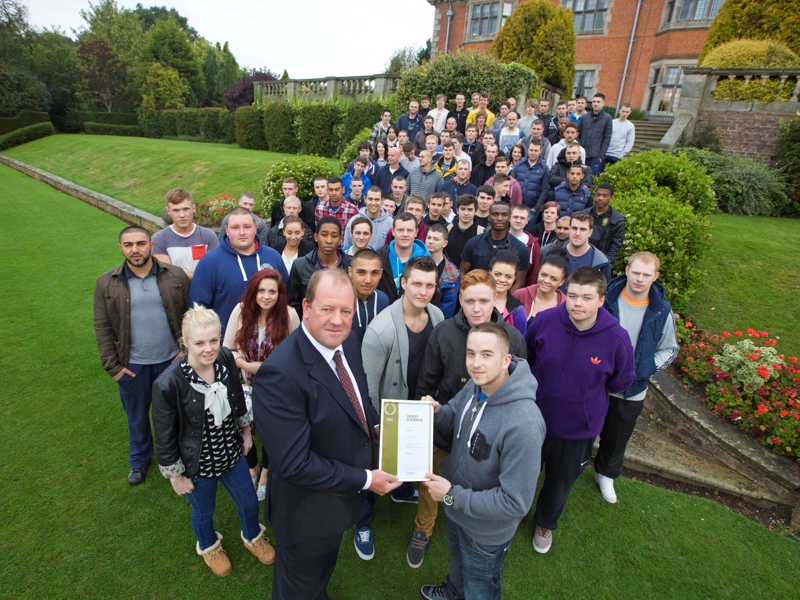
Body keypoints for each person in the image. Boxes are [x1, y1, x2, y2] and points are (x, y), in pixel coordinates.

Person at [253, 269, 401, 600]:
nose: (337, 320)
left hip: (337, 506)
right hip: (305, 515)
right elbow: (295, 464)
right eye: (327, 309)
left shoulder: (348, 339)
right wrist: (367, 479)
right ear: (306, 308)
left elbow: (358, 399)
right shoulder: (279, 375)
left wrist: (378, 427)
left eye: (345, 310)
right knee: (297, 588)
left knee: (320, 577)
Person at [409, 270, 527, 569]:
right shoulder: (443, 332)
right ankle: (423, 527)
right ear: (459, 299)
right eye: (470, 301)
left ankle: (468, 530)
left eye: (483, 301)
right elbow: (426, 382)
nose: (476, 308)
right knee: (431, 483)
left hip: (486, 439)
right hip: (444, 427)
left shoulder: (513, 338)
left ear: (496, 299)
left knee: (476, 487)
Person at [419, 323, 545, 600]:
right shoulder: (477, 385)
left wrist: (451, 496)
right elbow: (455, 414)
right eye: (470, 353)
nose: (476, 363)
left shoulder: (524, 424)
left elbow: (515, 502)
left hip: (486, 532)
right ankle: (453, 592)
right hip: (457, 510)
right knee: (457, 566)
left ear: (506, 360)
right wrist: (439, 412)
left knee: (480, 588)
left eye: (487, 354)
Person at [152, 304, 275, 576]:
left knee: (248, 501)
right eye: (199, 343)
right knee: (203, 512)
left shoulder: (225, 358)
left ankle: (252, 536)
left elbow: (237, 397)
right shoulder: (167, 384)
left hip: (231, 453)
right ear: (185, 342)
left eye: (214, 340)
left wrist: (246, 432)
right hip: (196, 465)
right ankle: (209, 546)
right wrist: (176, 477)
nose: (208, 349)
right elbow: (164, 436)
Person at [525, 267, 635, 554]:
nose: (577, 303)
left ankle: (545, 522)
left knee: (560, 482)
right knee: (522, 473)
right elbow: (528, 358)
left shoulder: (617, 339)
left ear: (601, 300)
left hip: (578, 430)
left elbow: (620, 382)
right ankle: (514, 511)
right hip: (533, 421)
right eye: (573, 295)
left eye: (587, 297)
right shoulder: (544, 322)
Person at [356, 257, 442, 559]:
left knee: (410, 458)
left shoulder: (437, 315)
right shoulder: (380, 330)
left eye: (429, 285)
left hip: (418, 410)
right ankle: (362, 522)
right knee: (375, 471)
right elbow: (367, 386)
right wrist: (375, 424)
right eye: (416, 283)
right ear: (403, 283)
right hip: (387, 416)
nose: (423, 291)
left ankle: (403, 490)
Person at [94, 226, 190, 485]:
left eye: (140, 243)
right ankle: (139, 459)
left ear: (151, 245)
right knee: (137, 417)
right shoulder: (106, 283)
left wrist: (184, 352)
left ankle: (179, 456)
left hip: (171, 362)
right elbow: (102, 326)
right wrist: (113, 367)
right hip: (133, 365)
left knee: (176, 414)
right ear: (121, 248)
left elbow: (189, 316)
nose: (135, 250)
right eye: (128, 245)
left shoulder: (176, 275)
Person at [594, 252, 678, 503]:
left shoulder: (661, 311)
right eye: (636, 272)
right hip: (597, 382)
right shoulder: (605, 299)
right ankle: (575, 465)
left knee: (617, 437)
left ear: (655, 277)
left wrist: (645, 369)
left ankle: (605, 475)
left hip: (632, 389)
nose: (640, 279)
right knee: (584, 428)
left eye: (646, 275)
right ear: (627, 270)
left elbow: (669, 348)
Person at [222, 269, 300, 499]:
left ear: (279, 293)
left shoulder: (290, 315)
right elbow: (228, 348)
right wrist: (247, 366)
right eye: (261, 290)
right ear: (254, 292)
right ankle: (252, 468)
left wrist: (267, 368)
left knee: (270, 431)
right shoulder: (241, 310)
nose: (266, 296)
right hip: (243, 382)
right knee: (243, 428)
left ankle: (265, 474)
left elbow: (295, 353)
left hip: (275, 385)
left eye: (272, 292)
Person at [189, 208, 288, 334]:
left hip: (271, 339)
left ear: (255, 227)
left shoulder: (273, 257)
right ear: (226, 230)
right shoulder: (209, 263)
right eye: (235, 227)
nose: (242, 232)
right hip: (228, 341)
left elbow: (286, 296)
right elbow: (198, 310)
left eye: (247, 227)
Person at [288, 216, 352, 317]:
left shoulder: (351, 265)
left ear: (340, 239)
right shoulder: (300, 265)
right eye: (324, 235)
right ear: (316, 237)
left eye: (334, 236)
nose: (329, 240)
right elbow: (294, 303)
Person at [152, 188, 219, 280]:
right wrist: (199, 276)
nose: (182, 215)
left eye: (186, 209)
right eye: (176, 210)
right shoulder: (159, 239)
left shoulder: (208, 236)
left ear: (193, 208)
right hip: (176, 288)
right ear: (168, 211)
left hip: (205, 288)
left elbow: (213, 269)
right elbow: (167, 274)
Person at [461, 203, 530, 292]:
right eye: (495, 214)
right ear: (489, 217)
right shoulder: (473, 242)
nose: (499, 218)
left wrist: (504, 299)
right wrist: (470, 293)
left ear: (509, 217)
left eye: (504, 214)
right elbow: (463, 272)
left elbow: (519, 282)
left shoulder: (520, 248)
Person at [546, 212, 611, 292]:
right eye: (574, 228)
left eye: (583, 229)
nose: (577, 233)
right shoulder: (552, 254)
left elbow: (603, 294)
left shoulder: (601, 262)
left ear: (590, 232)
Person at [376, 212, 430, 303]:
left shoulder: (427, 260)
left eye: (410, 230)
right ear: (393, 231)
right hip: (384, 309)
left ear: (416, 232)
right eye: (400, 230)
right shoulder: (380, 256)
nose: (405, 234)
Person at [513, 247, 568, 324]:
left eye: (554, 279)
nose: (546, 281)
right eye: (543, 275)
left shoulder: (566, 305)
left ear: (562, 281)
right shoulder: (520, 295)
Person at [347, 248, 389, 342]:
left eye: (374, 273)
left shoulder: (382, 300)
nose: (368, 280)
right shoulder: (340, 302)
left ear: (381, 273)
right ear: (350, 272)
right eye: (361, 272)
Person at [580, 182, 626, 266]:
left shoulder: (617, 220)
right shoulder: (584, 214)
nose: (600, 198)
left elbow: (615, 246)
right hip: (581, 256)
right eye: (598, 195)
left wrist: (607, 264)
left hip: (600, 260)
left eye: (605, 196)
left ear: (611, 197)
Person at [425, 223, 460, 319]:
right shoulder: (415, 264)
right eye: (429, 238)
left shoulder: (453, 273)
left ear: (445, 243)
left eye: (436, 239)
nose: (430, 241)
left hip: (438, 319)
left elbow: (448, 306)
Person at [490, 250, 528, 337]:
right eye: (497, 274)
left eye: (508, 276)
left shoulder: (518, 310)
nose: (502, 280)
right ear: (490, 272)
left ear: (514, 278)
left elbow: (519, 341)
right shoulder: (475, 299)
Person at [510, 140, 550, 214]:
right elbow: (511, 184)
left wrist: (536, 208)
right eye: (531, 150)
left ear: (540, 151)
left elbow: (545, 190)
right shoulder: (519, 165)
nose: (533, 153)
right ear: (528, 149)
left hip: (532, 208)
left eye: (536, 150)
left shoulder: (544, 168)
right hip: (516, 206)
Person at [578, 93, 614, 174]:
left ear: (603, 103)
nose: (595, 104)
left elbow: (607, 138)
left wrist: (601, 156)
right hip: (582, 154)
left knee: (592, 178)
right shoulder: (585, 117)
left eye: (598, 102)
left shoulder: (607, 118)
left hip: (595, 157)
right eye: (594, 101)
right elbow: (578, 134)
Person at [447, 194, 483, 269]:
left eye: (470, 209)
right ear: (457, 210)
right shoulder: (447, 229)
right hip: (449, 274)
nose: (466, 213)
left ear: (476, 211)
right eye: (463, 209)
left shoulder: (482, 232)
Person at [509, 203, 542, 287]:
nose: (518, 220)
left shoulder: (533, 244)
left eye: (522, 218)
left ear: (527, 220)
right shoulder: (499, 237)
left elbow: (533, 272)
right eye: (515, 217)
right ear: (509, 217)